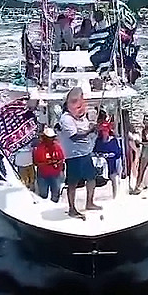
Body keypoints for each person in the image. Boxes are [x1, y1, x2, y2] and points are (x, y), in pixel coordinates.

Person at [58, 87, 99, 219]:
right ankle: (72, 209)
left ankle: (90, 202)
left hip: (86, 154)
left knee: (91, 179)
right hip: (74, 156)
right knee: (73, 183)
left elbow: (86, 130)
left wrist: (92, 129)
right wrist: (89, 131)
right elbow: (74, 136)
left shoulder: (82, 117)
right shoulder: (66, 119)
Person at [93, 117, 124, 198]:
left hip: (111, 162)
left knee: (113, 177)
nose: (104, 132)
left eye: (105, 130)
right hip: (101, 164)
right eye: (102, 131)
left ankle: (115, 195)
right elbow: (95, 150)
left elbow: (117, 153)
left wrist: (110, 155)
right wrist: (100, 155)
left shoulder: (113, 140)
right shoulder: (98, 141)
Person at [33, 126, 65, 202]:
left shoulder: (57, 146)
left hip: (56, 174)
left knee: (56, 194)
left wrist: (58, 163)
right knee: (43, 195)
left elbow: (62, 158)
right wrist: (47, 163)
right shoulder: (39, 148)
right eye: (49, 137)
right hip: (43, 174)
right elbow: (36, 163)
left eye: (52, 137)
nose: (51, 139)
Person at [130, 114, 148, 195]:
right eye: (144, 119)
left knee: (141, 169)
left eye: (147, 120)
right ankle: (140, 184)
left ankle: (136, 187)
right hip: (144, 150)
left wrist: (140, 142)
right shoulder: (143, 130)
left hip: (147, 151)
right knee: (141, 169)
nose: (145, 121)